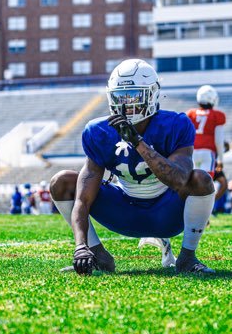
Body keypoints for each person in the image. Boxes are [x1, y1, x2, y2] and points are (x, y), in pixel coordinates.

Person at [50, 59, 216, 275]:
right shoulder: (98, 130)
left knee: (201, 179)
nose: (127, 105)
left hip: (167, 213)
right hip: (124, 212)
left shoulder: (175, 124)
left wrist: (138, 143)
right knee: (61, 182)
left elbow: (180, 180)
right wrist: (81, 246)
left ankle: (187, 257)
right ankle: (98, 255)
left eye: (135, 96)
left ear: (152, 94)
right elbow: (82, 199)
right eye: (121, 97)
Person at [186, 85, 226, 179]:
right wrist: (221, 159)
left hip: (192, 151)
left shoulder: (190, 114)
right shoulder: (217, 115)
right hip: (208, 153)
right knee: (206, 183)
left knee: (191, 182)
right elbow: (218, 140)